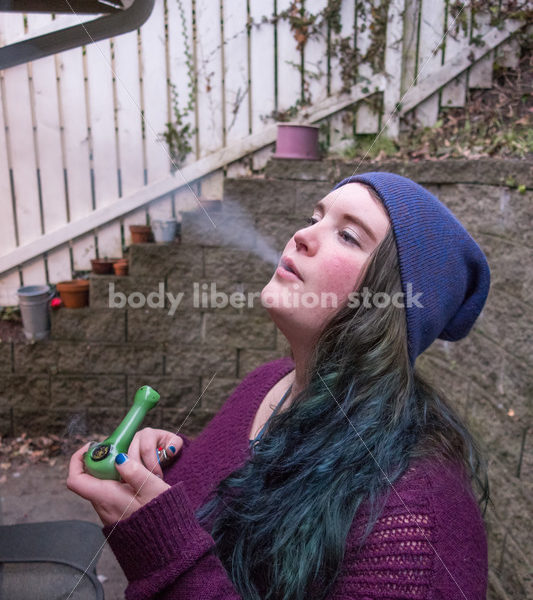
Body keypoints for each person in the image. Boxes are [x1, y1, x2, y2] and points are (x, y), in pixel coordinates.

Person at [68, 172, 490, 600]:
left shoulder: (419, 515)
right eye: (314, 217)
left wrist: (164, 550)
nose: (302, 235)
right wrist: (173, 467)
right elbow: (238, 488)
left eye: (347, 235)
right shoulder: (266, 383)